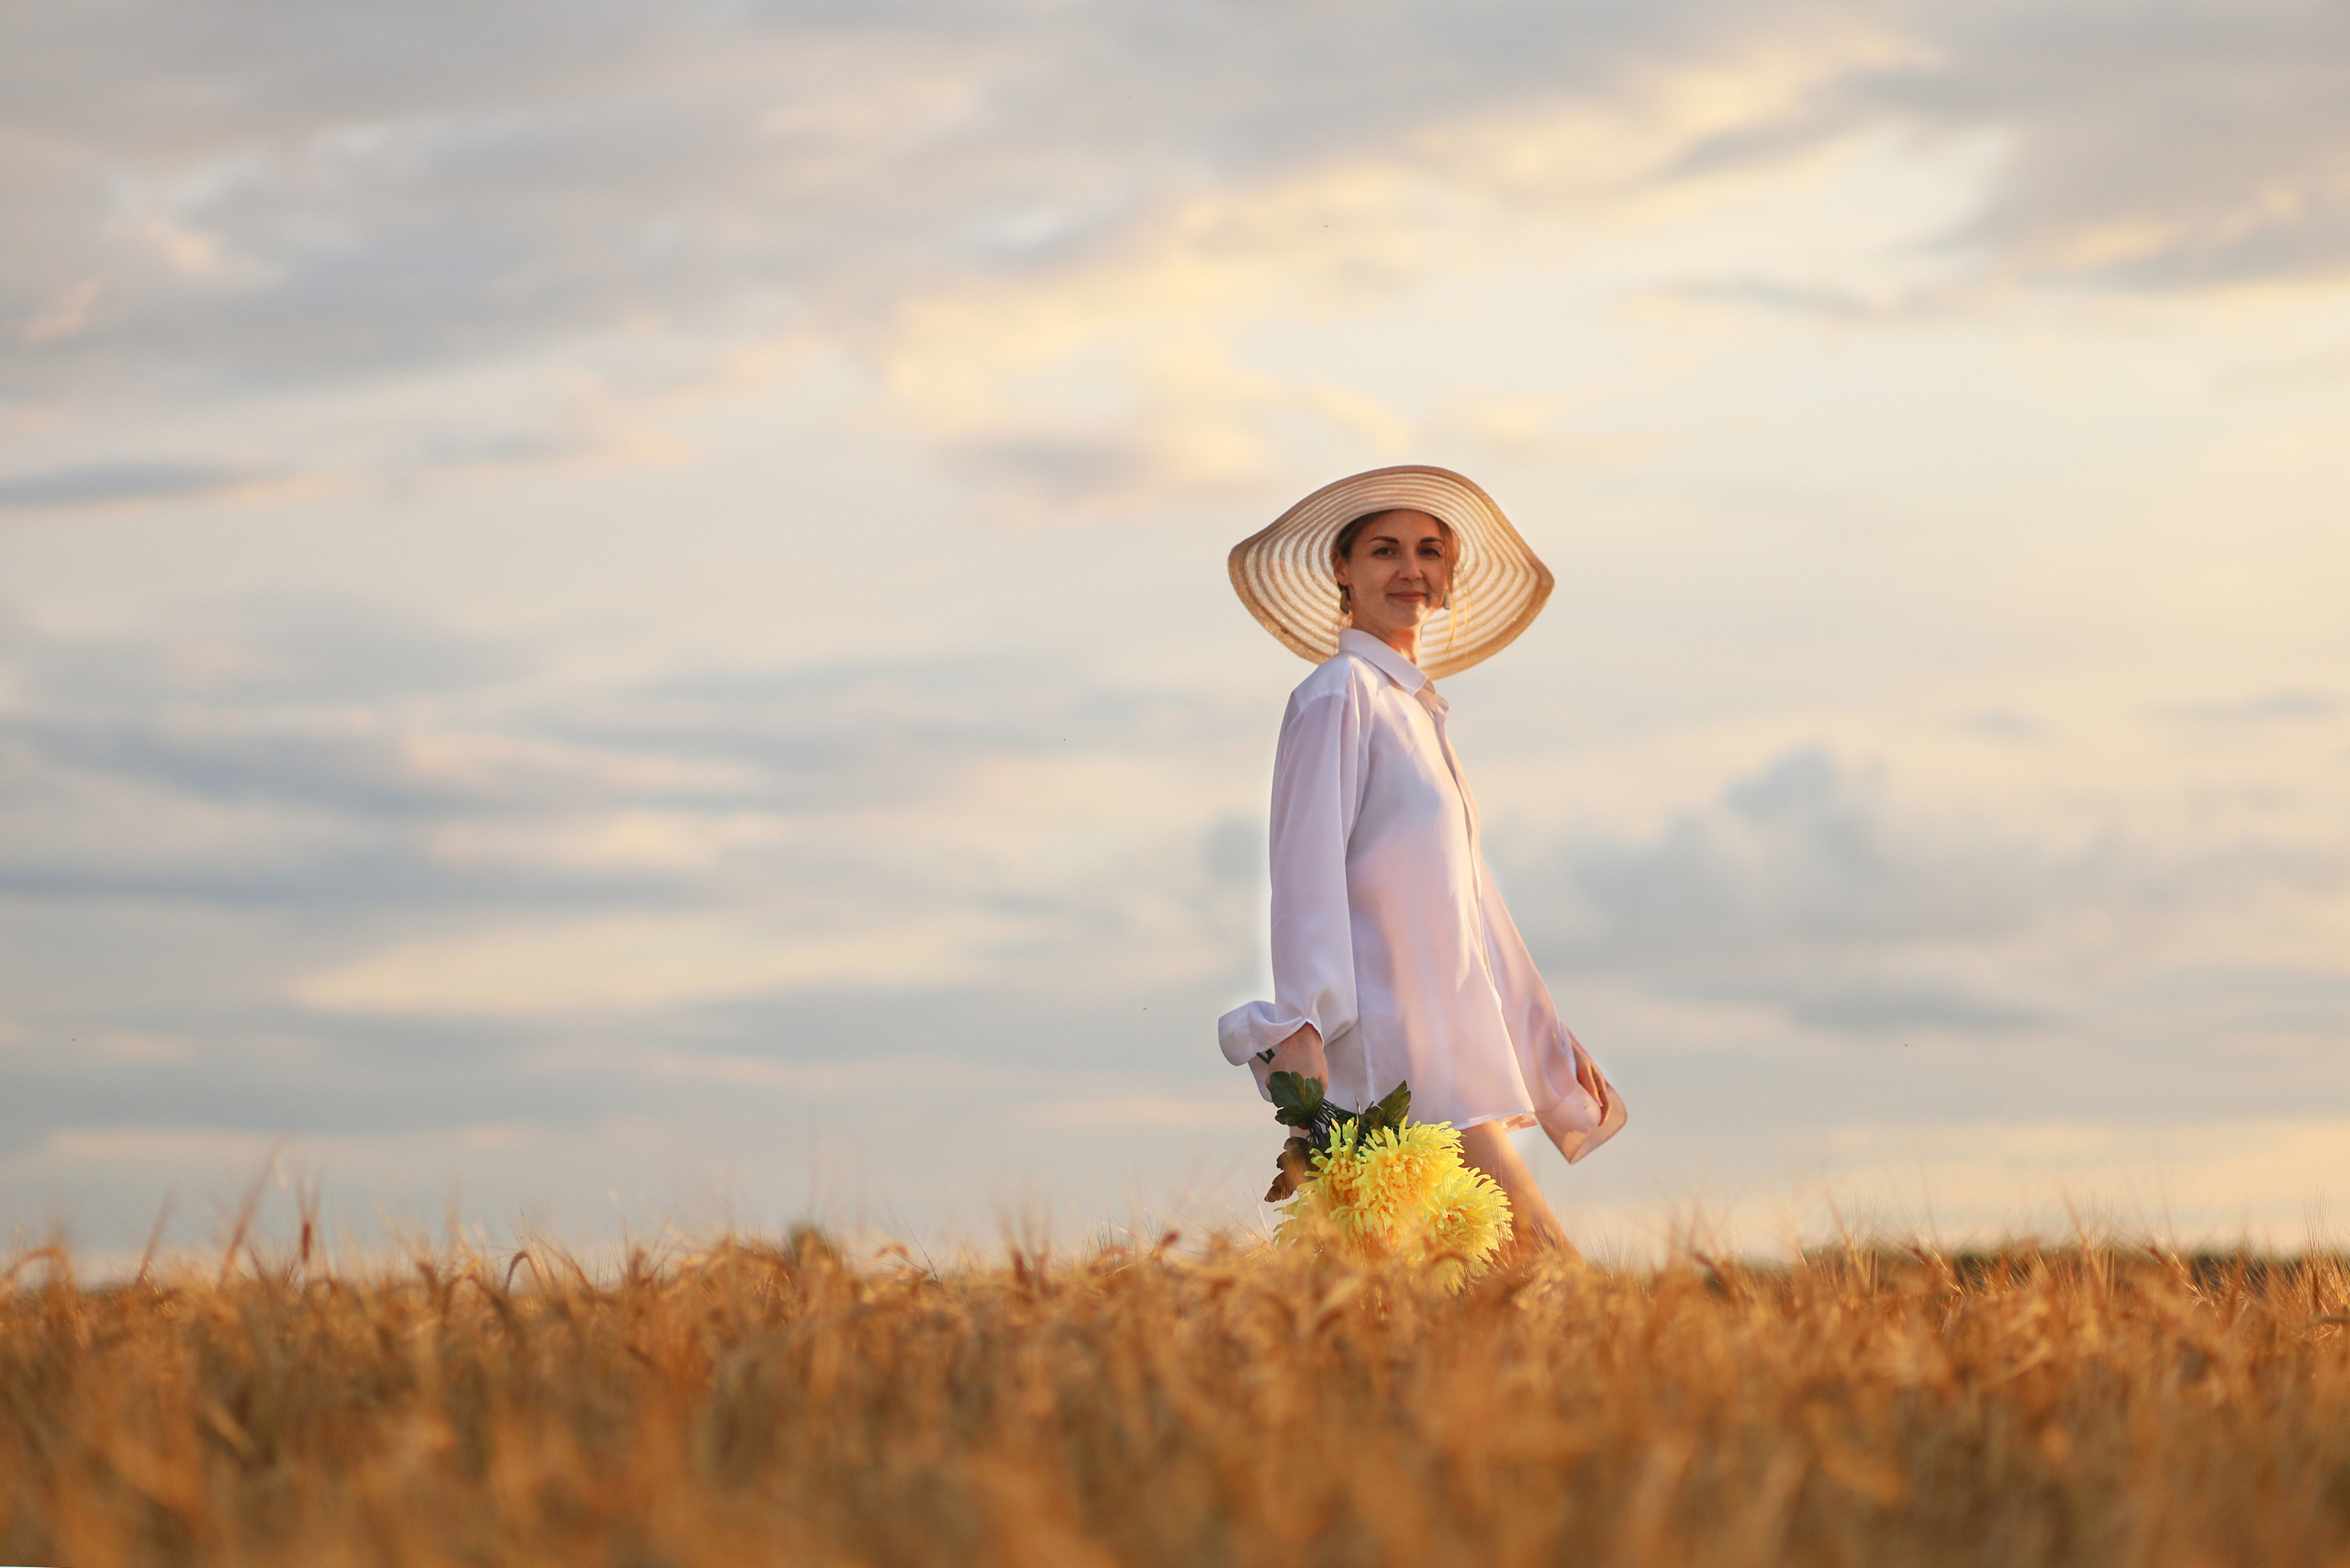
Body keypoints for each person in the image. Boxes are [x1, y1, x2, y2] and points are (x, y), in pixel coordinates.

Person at [1220, 465, 1626, 1255]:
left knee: (1444, 1294)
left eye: (1430, 551)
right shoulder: (1340, 695)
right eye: (1384, 550)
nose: (1411, 569)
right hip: (1390, 1060)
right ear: (1341, 569)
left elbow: (1471, 911)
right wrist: (1303, 1024)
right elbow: (1304, 874)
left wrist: (1544, 1034)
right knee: (1544, 1275)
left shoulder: (1417, 714)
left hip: (1450, 1053)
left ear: (1449, 576)